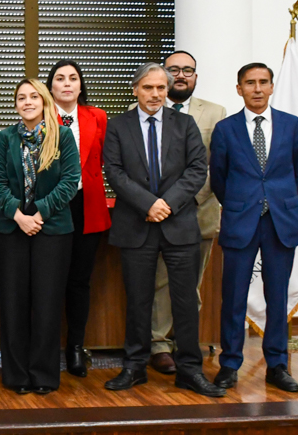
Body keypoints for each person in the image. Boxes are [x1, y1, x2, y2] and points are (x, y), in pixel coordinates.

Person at [102, 63, 224, 397]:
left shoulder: (184, 124)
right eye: (148, 88)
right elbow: (113, 171)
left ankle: (190, 370)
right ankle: (134, 367)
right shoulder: (118, 126)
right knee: (138, 300)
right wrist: (148, 204)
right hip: (136, 225)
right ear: (135, 89)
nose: (155, 94)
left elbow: (199, 168)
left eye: (160, 88)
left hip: (180, 224)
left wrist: (166, 203)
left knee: (184, 301)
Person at [210, 63, 298, 393]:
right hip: (241, 221)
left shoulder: (292, 125)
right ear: (239, 88)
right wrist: (245, 202)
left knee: (277, 296)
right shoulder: (226, 129)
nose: (257, 88)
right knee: (234, 297)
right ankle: (230, 364)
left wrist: (276, 200)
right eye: (249, 83)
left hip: (280, 222)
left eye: (263, 82)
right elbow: (220, 178)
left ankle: (277, 364)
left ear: (271, 87)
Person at [0, 79, 79, 395]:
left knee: (47, 303)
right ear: (16, 104)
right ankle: (16, 375)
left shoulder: (63, 136)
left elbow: (70, 183)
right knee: (13, 304)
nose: (27, 102)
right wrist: (19, 216)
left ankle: (43, 374)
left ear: (43, 101)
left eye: (33, 97)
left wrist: (37, 215)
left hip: (52, 230)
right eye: (21, 98)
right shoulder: (5, 138)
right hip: (11, 230)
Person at [149, 51, 227, 375]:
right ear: (162, 75)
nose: (181, 76)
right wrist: (161, 204)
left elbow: (217, 164)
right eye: (174, 70)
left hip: (199, 212)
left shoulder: (215, 112)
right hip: (157, 214)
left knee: (190, 283)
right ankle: (158, 344)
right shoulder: (144, 109)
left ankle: (187, 342)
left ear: (196, 76)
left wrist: (184, 200)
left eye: (188, 71)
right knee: (159, 282)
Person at [45, 60, 110, 377]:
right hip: (52, 206)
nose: (67, 83)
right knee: (50, 280)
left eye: (73, 78)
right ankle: (45, 348)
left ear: (81, 85)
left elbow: (107, 160)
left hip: (87, 206)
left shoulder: (97, 116)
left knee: (79, 281)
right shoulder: (41, 116)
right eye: (60, 78)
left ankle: (75, 347)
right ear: (51, 86)